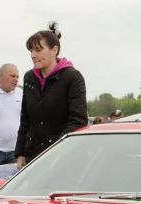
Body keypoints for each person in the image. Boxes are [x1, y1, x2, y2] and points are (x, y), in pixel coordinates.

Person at [15, 22, 88, 169]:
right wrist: (21, 153)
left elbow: (77, 121)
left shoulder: (72, 77)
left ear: (54, 50)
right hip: (33, 156)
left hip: (64, 159)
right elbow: (26, 120)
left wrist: (57, 152)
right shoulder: (29, 78)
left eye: (38, 50)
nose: (33, 56)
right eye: (31, 51)